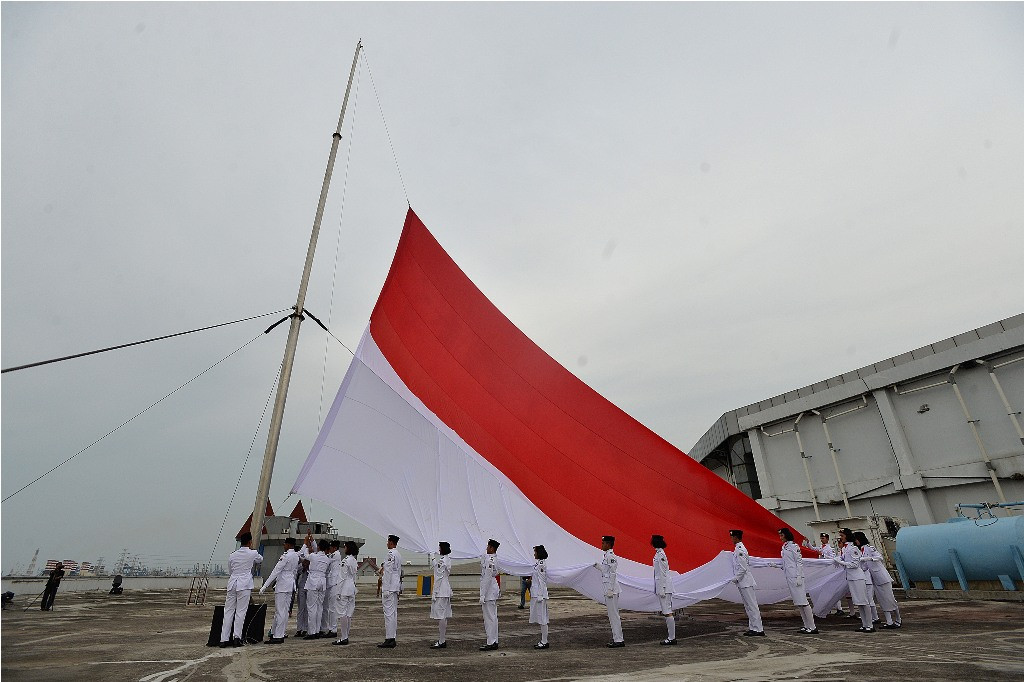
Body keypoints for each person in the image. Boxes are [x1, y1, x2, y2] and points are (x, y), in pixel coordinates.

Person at [220, 533, 263, 647]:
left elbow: (230, 570)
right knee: (240, 612)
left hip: (233, 583)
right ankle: (236, 638)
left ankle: (224, 639)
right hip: (244, 584)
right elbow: (260, 559)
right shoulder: (253, 553)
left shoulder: (232, 555)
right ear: (250, 542)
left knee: (228, 611)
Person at [854, 532, 901, 629]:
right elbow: (865, 567)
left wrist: (869, 558)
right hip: (874, 579)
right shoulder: (861, 551)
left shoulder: (870, 548)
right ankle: (889, 621)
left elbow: (880, 557)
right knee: (882, 600)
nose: (855, 541)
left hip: (882, 577)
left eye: (856, 539)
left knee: (889, 599)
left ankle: (898, 619)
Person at [259, 536, 299, 644]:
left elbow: (276, 571)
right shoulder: (296, 555)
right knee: (284, 611)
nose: (284, 545)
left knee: (280, 611)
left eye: (285, 544)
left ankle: (278, 635)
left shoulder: (285, 556)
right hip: (290, 584)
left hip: (282, 585)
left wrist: (265, 586)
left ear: (289, 545)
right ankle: (278, 633)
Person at [777, 528, 817, 634]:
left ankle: (812, 627)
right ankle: (806, 625)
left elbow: (799, 562)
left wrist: (799, 576)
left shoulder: (794, 546)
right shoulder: (784, 547)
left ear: (786, 535)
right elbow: (786, 563)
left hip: (796, 577)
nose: (780, 537)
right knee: (799, 603)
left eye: (781, 535)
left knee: (803, 602)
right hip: (790, 577)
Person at [833, 528, 874, 632]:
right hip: (851, 577)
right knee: (858, 602)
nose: (840, 538)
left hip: (858, 577)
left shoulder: (853, 548)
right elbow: (843, 559)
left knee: (864, 602)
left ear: (847, 536)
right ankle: (865, 624)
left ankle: (870, 625)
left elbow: (855, 564)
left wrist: (841, 562)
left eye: (842, 536)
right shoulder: (846, 548)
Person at [730, 529, 764, 636]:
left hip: (745, 582)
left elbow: (743, 568)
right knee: (748, 606)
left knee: (752, 606)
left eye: (732, 537)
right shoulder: (738, 548)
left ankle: (758, 629)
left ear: (736, 537)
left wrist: (736, 578)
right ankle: (753, 627)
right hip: (743, 582)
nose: (731, 539)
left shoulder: (740, 550)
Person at [803, 532, 847, 615]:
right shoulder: (821, 547)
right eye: (821, 538)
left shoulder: (830, 549)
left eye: (823, 538)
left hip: (829, 570)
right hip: (823, 570)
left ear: (827, 539)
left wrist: (823, 554)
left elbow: (833, 558)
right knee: (824, 590)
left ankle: (839, 608)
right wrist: (808, 542)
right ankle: (828, 607)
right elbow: (813, 548)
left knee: (832, 589)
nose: (821, 540)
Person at [595, 535, 624, 647]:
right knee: (612, 615)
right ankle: (617, 638)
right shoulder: (606, 556)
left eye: (603, 543)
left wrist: (610, 589)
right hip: (608, 589)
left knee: (614, 615)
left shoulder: (611, 557)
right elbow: (605, 570)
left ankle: (619, 640)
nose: (602, 545)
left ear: (608, 544)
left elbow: (612, 573)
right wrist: (597, 566)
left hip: (611, 590)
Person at [299, 537, 331, 639]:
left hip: (313, 582)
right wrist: (312, 541)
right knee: (319, 607)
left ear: (319, 547)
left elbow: (304, 555)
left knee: (311, 607)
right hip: (322, 582)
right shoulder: (327, 559)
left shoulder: (313, 556)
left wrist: (306, 544)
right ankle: (317, 630)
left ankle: (311, 632)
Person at [377, 534, 402, 648]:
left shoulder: (391, 554)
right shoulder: (398, 554)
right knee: (393, 614)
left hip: (390, 588)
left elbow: (388, 572)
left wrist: (385, 588)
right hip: (395, 587)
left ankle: (389, 638)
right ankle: (391, 637)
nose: (387, 543)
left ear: (391, 542)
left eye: (388, 541)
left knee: (389, 614)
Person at [333, 540, 359, 645]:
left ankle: (344, 637)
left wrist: (338, 592)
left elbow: (342, 577)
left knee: (342, 613)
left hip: (344, 589)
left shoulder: (346, 560)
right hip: (351, 588)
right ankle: (346, 636)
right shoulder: (354, 560)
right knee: (348, 614)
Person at [651, 535, 676, 645]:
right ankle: (671, 637)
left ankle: (672, 638)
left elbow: (662, 573)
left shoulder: (660, 555)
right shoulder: (658, 553)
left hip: (665, 587)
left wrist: (661, 589)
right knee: (667, 612)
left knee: (667, 612)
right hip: (664, 586)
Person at [430, 541, 453, 649]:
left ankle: (441, 640)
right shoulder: (447, 559)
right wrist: (433, 558)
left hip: (441, 591)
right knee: (443, 616)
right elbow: (438, 569)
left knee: (441, 617)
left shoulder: (442, 561)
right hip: (446, 589)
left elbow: (438, 577)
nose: (438, 550)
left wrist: (434, 592)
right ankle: (442, 639)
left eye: (439, 548)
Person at [479, 538, 501, 651]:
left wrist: (482, 595)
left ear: (491, 548)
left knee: (489, 618)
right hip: (492, 591)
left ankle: (491, 642)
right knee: (493, 617)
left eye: (488, 546)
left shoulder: (490, 561)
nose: (486, 548)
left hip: (488, 593)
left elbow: (487, 578)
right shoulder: (493, 559)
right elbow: (495, 572)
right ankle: (494, 640)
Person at [530, 545, 550, 649]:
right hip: (537, 594)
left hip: (540, 595)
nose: (534, 554)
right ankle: (543, 640)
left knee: (542, 619)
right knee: (540, 618)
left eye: (535, 552)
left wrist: (540, 595)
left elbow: (542, 581)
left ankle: (544, 641)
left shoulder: (541, 564)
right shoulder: (538, 564)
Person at [321, 540, 342, 638]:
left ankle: (333, 629)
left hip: (334, 583)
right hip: (330, 583)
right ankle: (329, 628)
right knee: (329, 608)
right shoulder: (333, 555)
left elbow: (326, 560)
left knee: (332, 608)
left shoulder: (336, 555)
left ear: (334, 548)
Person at [294, 551, 310, 636]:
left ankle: (305, 628)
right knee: (301, 608)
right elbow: (297, 571)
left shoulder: (313, 564)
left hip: (309, 587)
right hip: (302, 586)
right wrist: (303, 566)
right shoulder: (301, 565)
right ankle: (299, 628)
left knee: (307, 608)